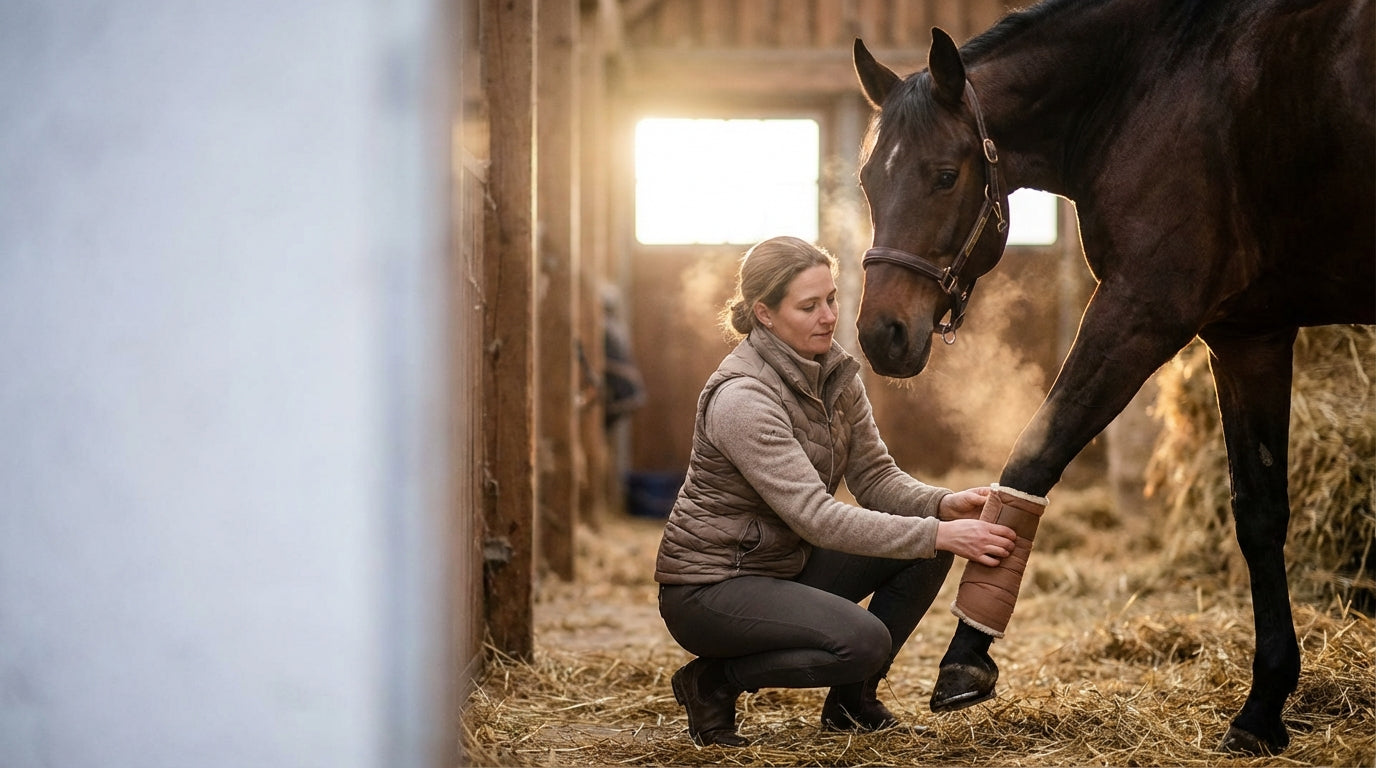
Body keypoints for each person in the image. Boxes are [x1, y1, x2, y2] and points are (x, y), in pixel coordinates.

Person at [654, 236, 1018, 747]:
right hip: (713, 588)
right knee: (864, 640)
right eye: (808, 306)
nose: (828, 317)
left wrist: (941, 505)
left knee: (926, 550)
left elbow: (874, 476)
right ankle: (712, 682)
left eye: (830, 299)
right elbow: (817, 517)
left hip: (785, 565)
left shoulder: (835, 370)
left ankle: (852, 706)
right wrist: (940, 531)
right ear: (764, 314)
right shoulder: (743, 399)